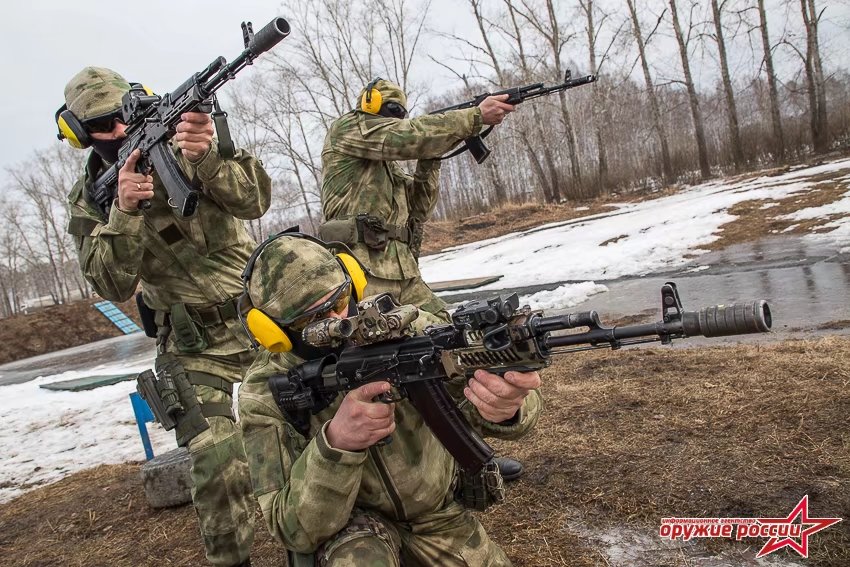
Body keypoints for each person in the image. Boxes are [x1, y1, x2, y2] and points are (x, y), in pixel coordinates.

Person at [60, 66, 272, 567]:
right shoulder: (91, 199)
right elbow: (110, 284)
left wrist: (208, 158)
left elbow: (256, 200)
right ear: (79, 134)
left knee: (327, 419)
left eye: (122, 117)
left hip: (264, 321)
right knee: (216, 458)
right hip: (194, 343)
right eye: (102, 127)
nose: (119, 131)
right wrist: (124, 212)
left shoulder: (186, 142)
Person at [237, 232, 541, 565]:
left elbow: (498, 387)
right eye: (311, 319)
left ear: (353, 282)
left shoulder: (407, 327)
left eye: (339, 301)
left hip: (437, 517)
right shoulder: (264, 393)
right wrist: (336, 444)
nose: (338, 322)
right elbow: (291, 528)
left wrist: (509, 406)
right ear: (273, 331)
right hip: (351, 534)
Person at [319, 77, 525, 480]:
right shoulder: (349, 130)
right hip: (361, 276)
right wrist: (472, 117)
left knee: (453, 346)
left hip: (403, 274)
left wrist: (433, 156)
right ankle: (389, 474)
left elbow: (419, 207)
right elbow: (407, 136)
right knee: (386, 371)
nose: (395, 119)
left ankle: (465, 454)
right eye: (389, 112)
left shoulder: (389, 167)